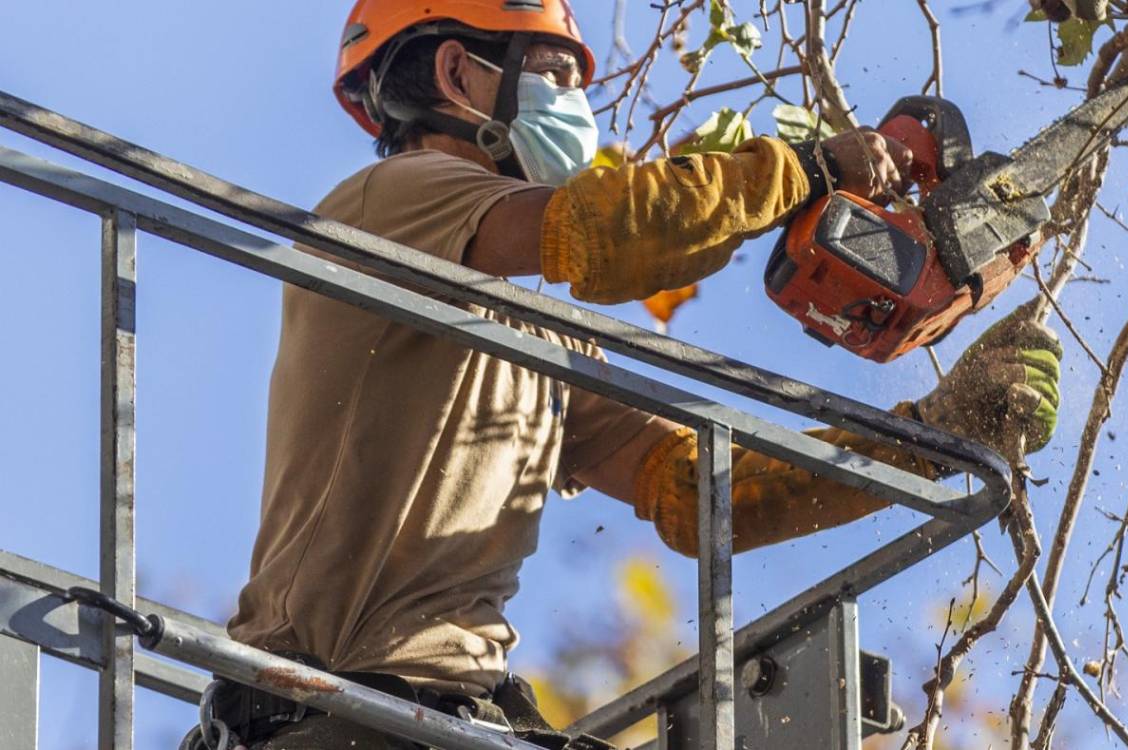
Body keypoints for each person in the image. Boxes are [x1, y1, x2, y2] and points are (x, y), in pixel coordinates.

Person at [218, 2, 1063, 748]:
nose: (576, 106)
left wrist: (928, 438)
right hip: (337, 715)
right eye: (553, 73)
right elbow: (605, 234)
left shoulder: (526, 331)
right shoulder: (390, 199)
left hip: (442, 718)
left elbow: (697, 492)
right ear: (457, 73)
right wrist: (807, 168)